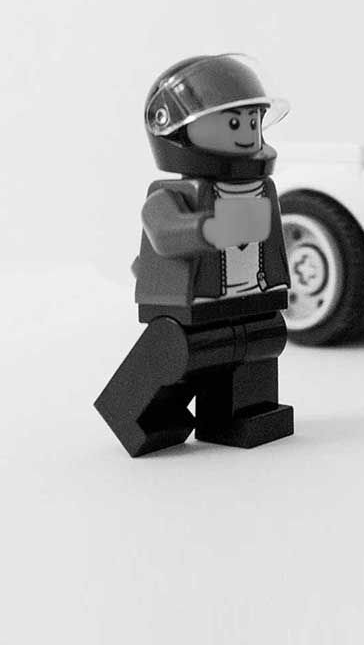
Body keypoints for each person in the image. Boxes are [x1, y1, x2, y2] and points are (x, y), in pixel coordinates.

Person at [95, 54, 294, 456]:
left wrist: (277, 282)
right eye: (233, 123)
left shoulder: (261, 190)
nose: (247, 133)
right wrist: (208, 229)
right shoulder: (172, 194)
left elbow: (270, 244)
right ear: (177, 130)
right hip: (192, 305)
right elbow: (162, 231)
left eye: (252, 122)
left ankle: (243, 412)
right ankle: (137, 414)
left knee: (261, 343)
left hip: (253, 300)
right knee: (186, 352)